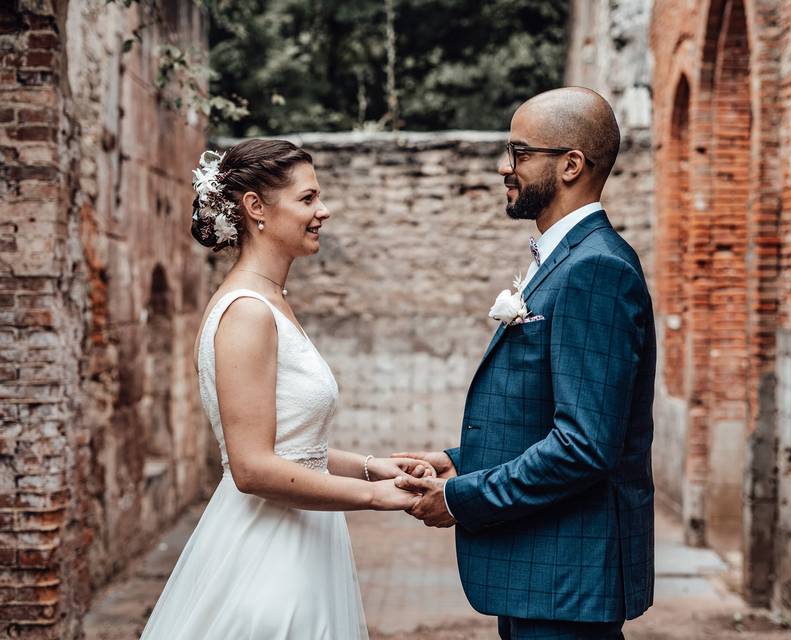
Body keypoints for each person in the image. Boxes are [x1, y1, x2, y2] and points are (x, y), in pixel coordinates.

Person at [140, 139, 431, 640]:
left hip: (303, 536)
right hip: (266, 553)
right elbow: (252, 467)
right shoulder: (248, 312)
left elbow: (293, 446)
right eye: (308, 199)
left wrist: (368, 464)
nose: (324, 211)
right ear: (256, 207)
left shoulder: (271, 300)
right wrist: (373, 496)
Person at [395, 87, 657, 640]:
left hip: (566, 581)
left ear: (570, 165)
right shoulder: (566, 259)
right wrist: (460, 462)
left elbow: (584, 445)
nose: (502, 167)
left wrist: (462, 498)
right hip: (543, 576)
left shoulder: (597, 269)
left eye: (518, 152)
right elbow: (551, 420)